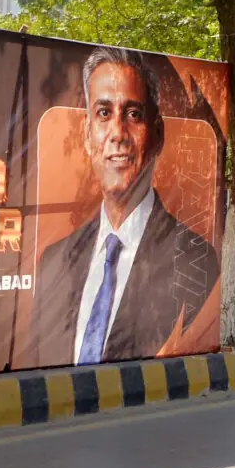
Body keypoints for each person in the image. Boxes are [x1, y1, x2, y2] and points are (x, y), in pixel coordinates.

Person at [28, 47, 220, 366]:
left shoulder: (195, 261)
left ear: (157, 134)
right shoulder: (54, 261)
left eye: (133, 114)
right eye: (104, 113)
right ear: (88, 134)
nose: (118, 134)